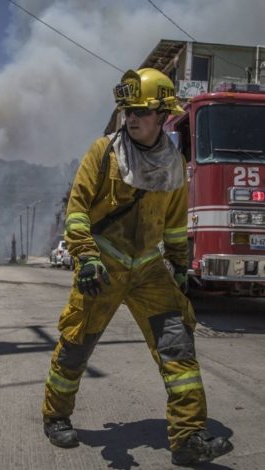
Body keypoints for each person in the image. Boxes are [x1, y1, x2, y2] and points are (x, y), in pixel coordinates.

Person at [41, 68, 233, 466]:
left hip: (148, 269)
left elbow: (176, 225)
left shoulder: (173, 165)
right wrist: (86, 257)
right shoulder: (103, 152)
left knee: (178, 349)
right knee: (76, 346)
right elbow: (77, 211)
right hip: (103, 266)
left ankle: (188, 437)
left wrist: (179, 267)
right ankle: (56, 416)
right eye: (127, 110)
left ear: (162, 115)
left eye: (141, 111)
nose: (131, 118)